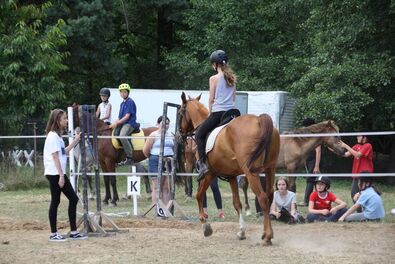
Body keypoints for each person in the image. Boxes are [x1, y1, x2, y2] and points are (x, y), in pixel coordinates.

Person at [43, 109, 86, 241]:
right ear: (57, 121)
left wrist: (76, 140)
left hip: (58, 173)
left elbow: (64, 152)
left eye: (66, 118)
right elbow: (55, 157)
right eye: (64, 119)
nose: (66, 121)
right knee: (56, 201)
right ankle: (53, 234)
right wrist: (61, 176)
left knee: (72, 199)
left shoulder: (58, 136)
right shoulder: (52, 136)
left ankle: (73, 232)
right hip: (55, 173)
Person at [195, 49, 237, 181]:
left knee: (199, 134)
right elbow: (234, 97)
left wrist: (210, 113)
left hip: (219, 113)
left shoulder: (213, 79)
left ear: (215, 64)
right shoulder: (232, 78)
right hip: (232, 113)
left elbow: (211, 99)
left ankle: (202, 165)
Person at [143, 116, 174, 214]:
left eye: (168, 123)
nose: (166, 125)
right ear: (158, 124)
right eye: (163, 123)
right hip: (155, 160)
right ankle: (156, 210)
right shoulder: (153, 135)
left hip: (168, 160)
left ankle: (166, 211)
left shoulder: (171, 135)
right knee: (157, 187)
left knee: (166, 188)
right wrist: (154, 158)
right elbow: (145, 150)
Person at [340, 130, 373, 200]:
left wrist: (345, 145)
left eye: (359, 136)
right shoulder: (356, 146)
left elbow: (358, 155)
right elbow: (346, 154)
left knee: (363, 195)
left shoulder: (368, 145)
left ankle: (364, 210)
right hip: (356, 174)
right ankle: (360, 210)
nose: (357, 137)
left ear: (364, 137)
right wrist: (333, 148)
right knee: (354, 194)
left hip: (365, 175)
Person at [110, 83, 138, 166]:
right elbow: (119, 117)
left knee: (122, 136)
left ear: (128, 92)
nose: (123, 93)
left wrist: (117, 123)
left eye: (124, 92)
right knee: (115, 133)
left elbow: (127, 117)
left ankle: (130, 157)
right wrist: (113, 123)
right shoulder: (122, 103)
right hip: (123, 123)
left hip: (130, 123)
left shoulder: (130, 102)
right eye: (121, 92)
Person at [302, 118, 321, 206]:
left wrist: (316, 166)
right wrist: (305, 159)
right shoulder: (308, 136)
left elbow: (318, 151)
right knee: (313, 180)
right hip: (309, 160)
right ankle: (312, 199)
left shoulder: (315, 136)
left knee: (310, 180)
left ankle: (306, 201)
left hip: (314, 160)